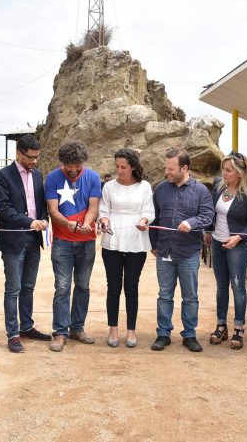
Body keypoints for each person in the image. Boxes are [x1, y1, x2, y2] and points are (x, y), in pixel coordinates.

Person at [147, 149, 214, 353]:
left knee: (190, 296)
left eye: (171, 168)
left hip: (188, 252)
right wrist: (154, 245)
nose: (167, 172)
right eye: (166, 168)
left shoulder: (201, 191)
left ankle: (190, 334)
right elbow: (154, 218)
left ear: (184, 168)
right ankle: (163, 333)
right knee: (164, 295)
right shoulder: (160, 189)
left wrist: (191, 222)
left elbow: (208, 216)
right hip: (164, 251)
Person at [0, 135, 51, 353]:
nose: (34, 162)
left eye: (37, 157)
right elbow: (4, 208)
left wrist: (44, 218)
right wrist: (30, 221)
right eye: (31, 157)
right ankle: (13, 334)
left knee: (28, 287)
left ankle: (27, 327)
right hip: (14, 240)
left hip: (33, 240)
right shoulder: (2, 176)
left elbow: (40, 203)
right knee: (13, 289)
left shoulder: (37, 175)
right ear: (19, 153)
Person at [45, 140, 102, 352]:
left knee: (83, 286)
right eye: (69, 167)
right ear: (63, 164)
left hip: (86, 242)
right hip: (62, 241)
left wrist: (86, 225)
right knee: (62, 287)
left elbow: (93, 207)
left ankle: (77, 328)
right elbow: (53, 210)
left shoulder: (93, 177)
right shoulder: (52, 178)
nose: (73, 171)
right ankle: (60, 332)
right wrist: (69, 224)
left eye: (77, 167)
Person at [98, 149, 155, 348]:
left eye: (123, 167)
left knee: (131, 287)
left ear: (132, 167)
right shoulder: (108, 187)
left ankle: (131, 330)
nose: (119, 171)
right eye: (117, 167)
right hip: (112, 242)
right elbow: (104, 210)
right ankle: (113, 329)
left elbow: (149, 211)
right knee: (113, 287)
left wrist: (144, 220)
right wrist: (104, 221)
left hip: (136, 241)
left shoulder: (145, 186)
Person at [204, 152, 247, 350]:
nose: (224, 173)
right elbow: (212, 213)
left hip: (238, 244)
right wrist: (209, 232)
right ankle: (221, 325)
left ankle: (239, 327)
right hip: (218, 243)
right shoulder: (219, 186)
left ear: (240, 172)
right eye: (223, 169)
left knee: (237, 286)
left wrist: (239, 237)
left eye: (228, 170)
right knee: (221, 285)